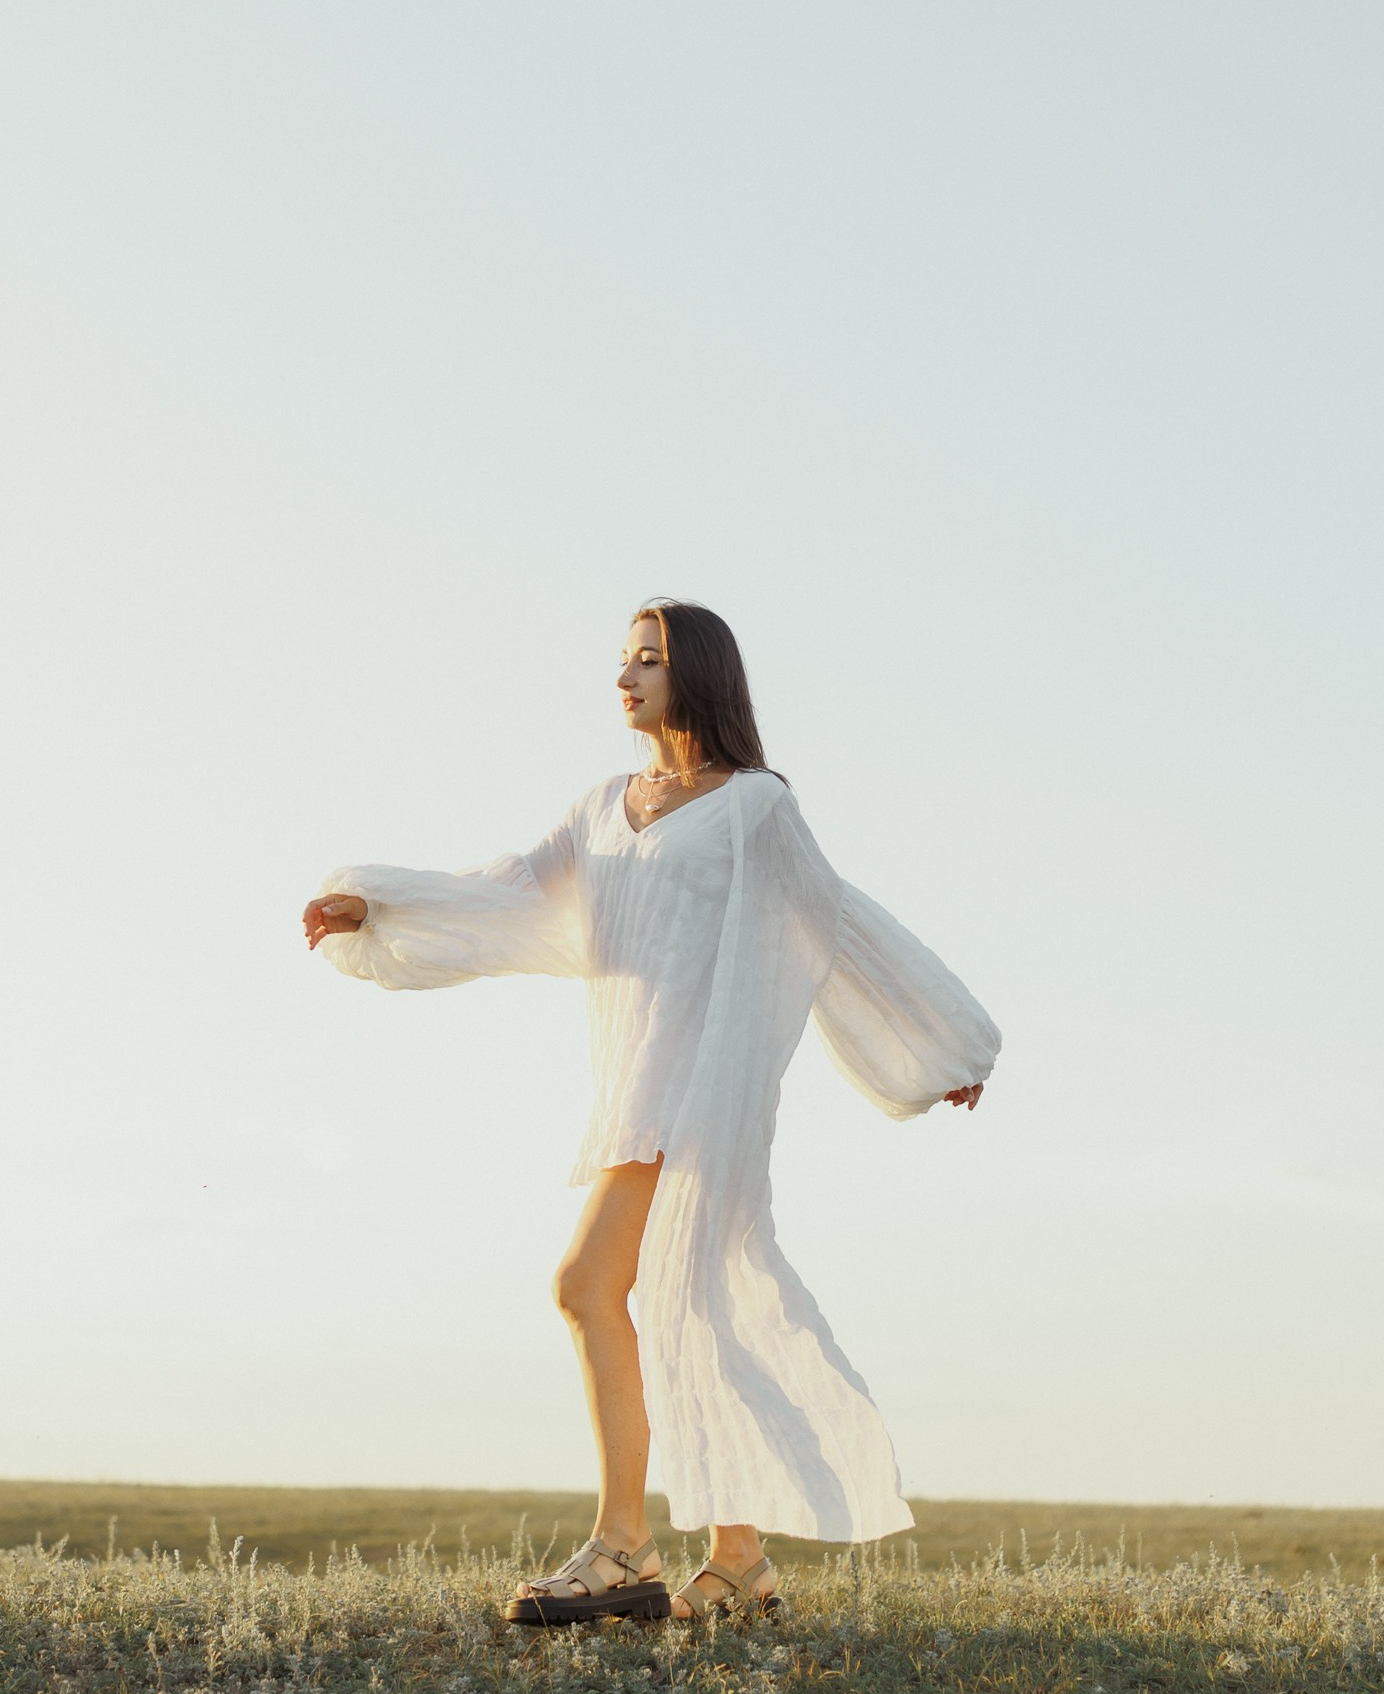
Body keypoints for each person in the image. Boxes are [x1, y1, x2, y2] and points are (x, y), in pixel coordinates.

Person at [301, 602, 998, 1628]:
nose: (625, 675)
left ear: (698, 674)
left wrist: (936, 1040)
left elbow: (831, 917)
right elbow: (510, 891)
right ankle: (737, 1560)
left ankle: (626, 1543)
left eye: (649, 659)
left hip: (709, 1082)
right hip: (636, 1081)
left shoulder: (754, 806)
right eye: (621, 658)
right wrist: (379, 903)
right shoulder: (600, 805)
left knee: (602, 1286)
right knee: (676, 1300)